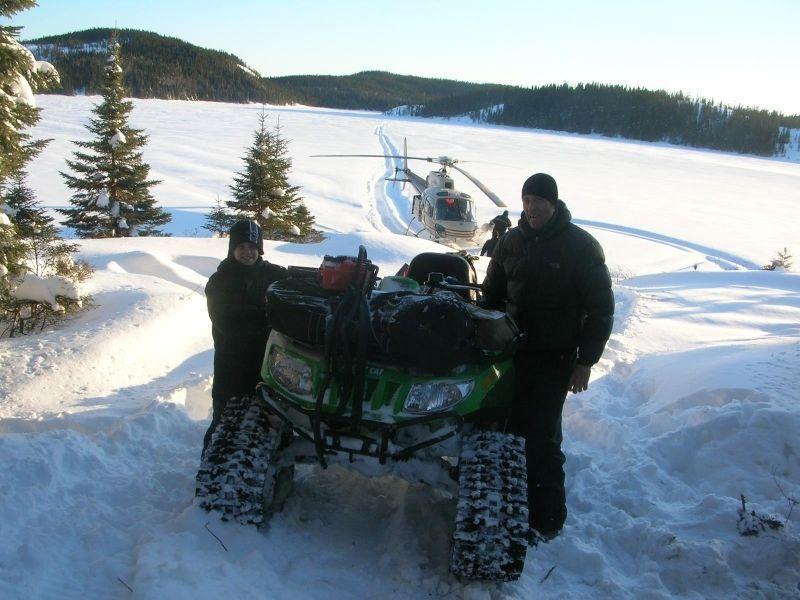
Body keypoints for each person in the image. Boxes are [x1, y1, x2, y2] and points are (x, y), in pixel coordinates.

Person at [482, 173, 614, 541]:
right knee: (499, 428)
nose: (531, 207)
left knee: (540, 437)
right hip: (509, 354)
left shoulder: (581, 247)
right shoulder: (511, 241)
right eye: (526, 200)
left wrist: (585, 361)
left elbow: (601, 310)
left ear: (553, 204)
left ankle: (546, 519)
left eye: (538, 201)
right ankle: (502, 504)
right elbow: (491, 297)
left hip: (553, 357)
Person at [203, 219, 287, 452]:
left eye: (252, 247)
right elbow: (226, 321)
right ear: (232, 249)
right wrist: (269, 317)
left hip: (269, 363)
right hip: (232, 363)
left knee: (269, 417)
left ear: (259, 249)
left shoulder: (274, 275)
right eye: (241, 247)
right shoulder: (220, 281)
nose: (247, 252)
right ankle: (213, 463)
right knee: (225, 420)